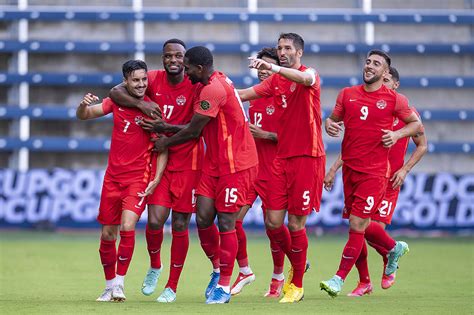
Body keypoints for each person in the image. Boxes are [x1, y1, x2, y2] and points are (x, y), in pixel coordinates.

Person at [149, 46, 258, 304]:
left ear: (199, 68)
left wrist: (165, 140)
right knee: (203, 217)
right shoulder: (208, 81)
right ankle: (219, 269)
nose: (184, 72)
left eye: (187, 67)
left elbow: (194, 131)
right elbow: (194, 126)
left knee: (226, 223)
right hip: (214, 163)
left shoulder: (212, 89)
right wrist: (166, 126)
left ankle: (223, 287)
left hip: (236, 163)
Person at [320, 50, 423, 298]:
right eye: (368, 61)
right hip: (352, 172)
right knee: (360, 227)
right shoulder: (348, 94)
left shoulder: (397, 102)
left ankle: (339, 278)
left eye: (376, 64)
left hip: (380, 174)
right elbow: (336, 123)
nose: (369, 66)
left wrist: (398, 139)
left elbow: (418, 130)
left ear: (387, 74)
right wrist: (329, 125)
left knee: (359, 226)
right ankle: (389, 252)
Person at [109, 39, 203, 303]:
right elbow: (116, 91)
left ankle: (171, 287)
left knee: (181, 224)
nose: (173, 60)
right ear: (162, 59)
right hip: (160, 160)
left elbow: (197, 126)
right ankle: (155, 265)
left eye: (178, 56)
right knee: (153, 221)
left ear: (185, 60)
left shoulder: (195, 85)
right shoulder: (152, 79)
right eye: (168, 56)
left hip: (189, 162)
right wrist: (141, 105)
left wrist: (166, 128)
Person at [238, 33, 325, 303]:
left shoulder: (309, 74)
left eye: (287, 48)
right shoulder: (275, 81)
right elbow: (243, 95)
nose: (283, 51)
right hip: (281, 159)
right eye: (280, 48)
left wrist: (273, 66)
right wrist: (213, 85)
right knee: (274, 222)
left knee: (296, 222)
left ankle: (296, 283)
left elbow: (304, 79)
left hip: (307, 157)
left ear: (299, 52)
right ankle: (298, 264)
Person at [76, 60, 167, 302]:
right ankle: (108, 286)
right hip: (112, 178)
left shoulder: (152, 108)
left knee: (127, 227)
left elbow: (163, 147)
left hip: (138, 178)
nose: (141, 84)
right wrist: (82, 106)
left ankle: (119, 284)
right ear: (125, 81)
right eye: (135, 80)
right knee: (107, 234)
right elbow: (85, 116)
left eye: (144, 80)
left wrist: (156, 178)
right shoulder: (116, 101)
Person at [229, 47, 285, 298]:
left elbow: (300, 137)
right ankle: (244, 269)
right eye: (260, 66)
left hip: (276, 169)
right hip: (251, 168)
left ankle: (279, 275)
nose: (264, 71)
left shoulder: (288, 97)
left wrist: (267, 135)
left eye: (268, 66)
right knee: (232, 219)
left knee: (273, 227)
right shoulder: (253, 97)